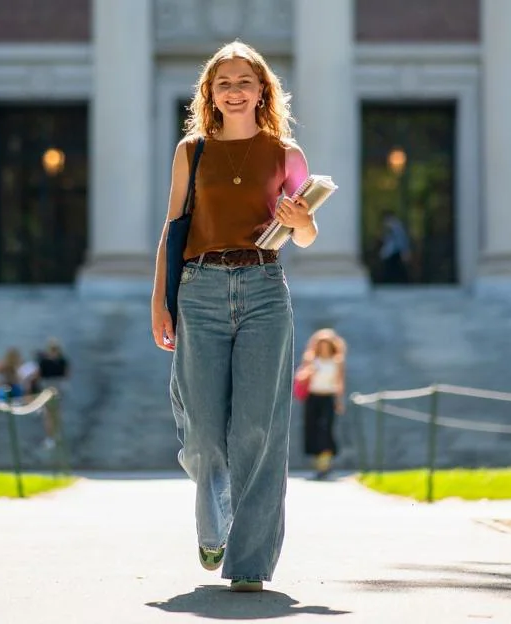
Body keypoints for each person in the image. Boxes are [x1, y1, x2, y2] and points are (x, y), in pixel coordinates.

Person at [150, 41, 317, 592]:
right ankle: (213, 517)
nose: (235, 89)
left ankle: (248, 564)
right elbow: (174, 229)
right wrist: (161, 302)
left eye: (245, 79)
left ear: (262, 88)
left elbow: (308, 234)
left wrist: (298, 220)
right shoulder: (191, 151)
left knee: (258, 429)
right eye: (224, 82)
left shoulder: (285, 154)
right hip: (199, 288)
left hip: (265, 287)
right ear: (211, 94)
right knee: (201, 430)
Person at [294, 329, 346, 479]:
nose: (324, 348)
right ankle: (319, 465)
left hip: (328, 397)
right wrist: (310, 371)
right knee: (313, 430)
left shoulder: (337, 361)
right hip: (312, 397)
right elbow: (301, 377)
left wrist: (339, 400)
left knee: (326, 430)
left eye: (326, 344)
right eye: (321, 344)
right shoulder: (311, 359)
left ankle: (326, 465)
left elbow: (340, 382)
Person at [36, 338, 70, 450]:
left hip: (48, 387)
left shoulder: (44, 361)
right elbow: (67, 374)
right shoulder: (62, 360)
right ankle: (57, 434)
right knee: (57, 412)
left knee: (49, 415)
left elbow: (39, 375)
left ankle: (50, 438)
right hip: (59, 387)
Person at [379, 210, 410, 283]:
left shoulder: (396, 227)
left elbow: (401, 240)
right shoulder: (392, 228)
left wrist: (404, 251)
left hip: (395, 253)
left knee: (395, 270)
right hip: (392, 253)